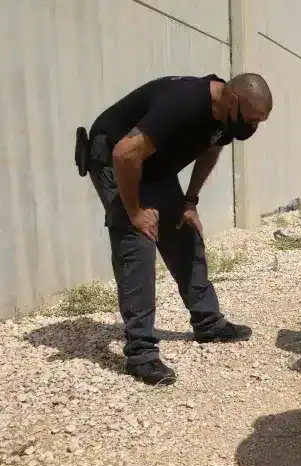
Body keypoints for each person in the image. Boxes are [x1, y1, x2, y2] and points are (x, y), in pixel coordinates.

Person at [84, 73, 273, 386]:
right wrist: (134, 212)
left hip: (154, 165)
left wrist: (189, 201)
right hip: (114, 159)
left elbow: (211, 149)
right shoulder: (184, 104)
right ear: (234, 101)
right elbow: (124, 152)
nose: (253, 128)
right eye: (252, 120)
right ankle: (141, 352)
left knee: (184, 230)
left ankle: (208, 323)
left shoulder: (225, 114)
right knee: (139, 241)